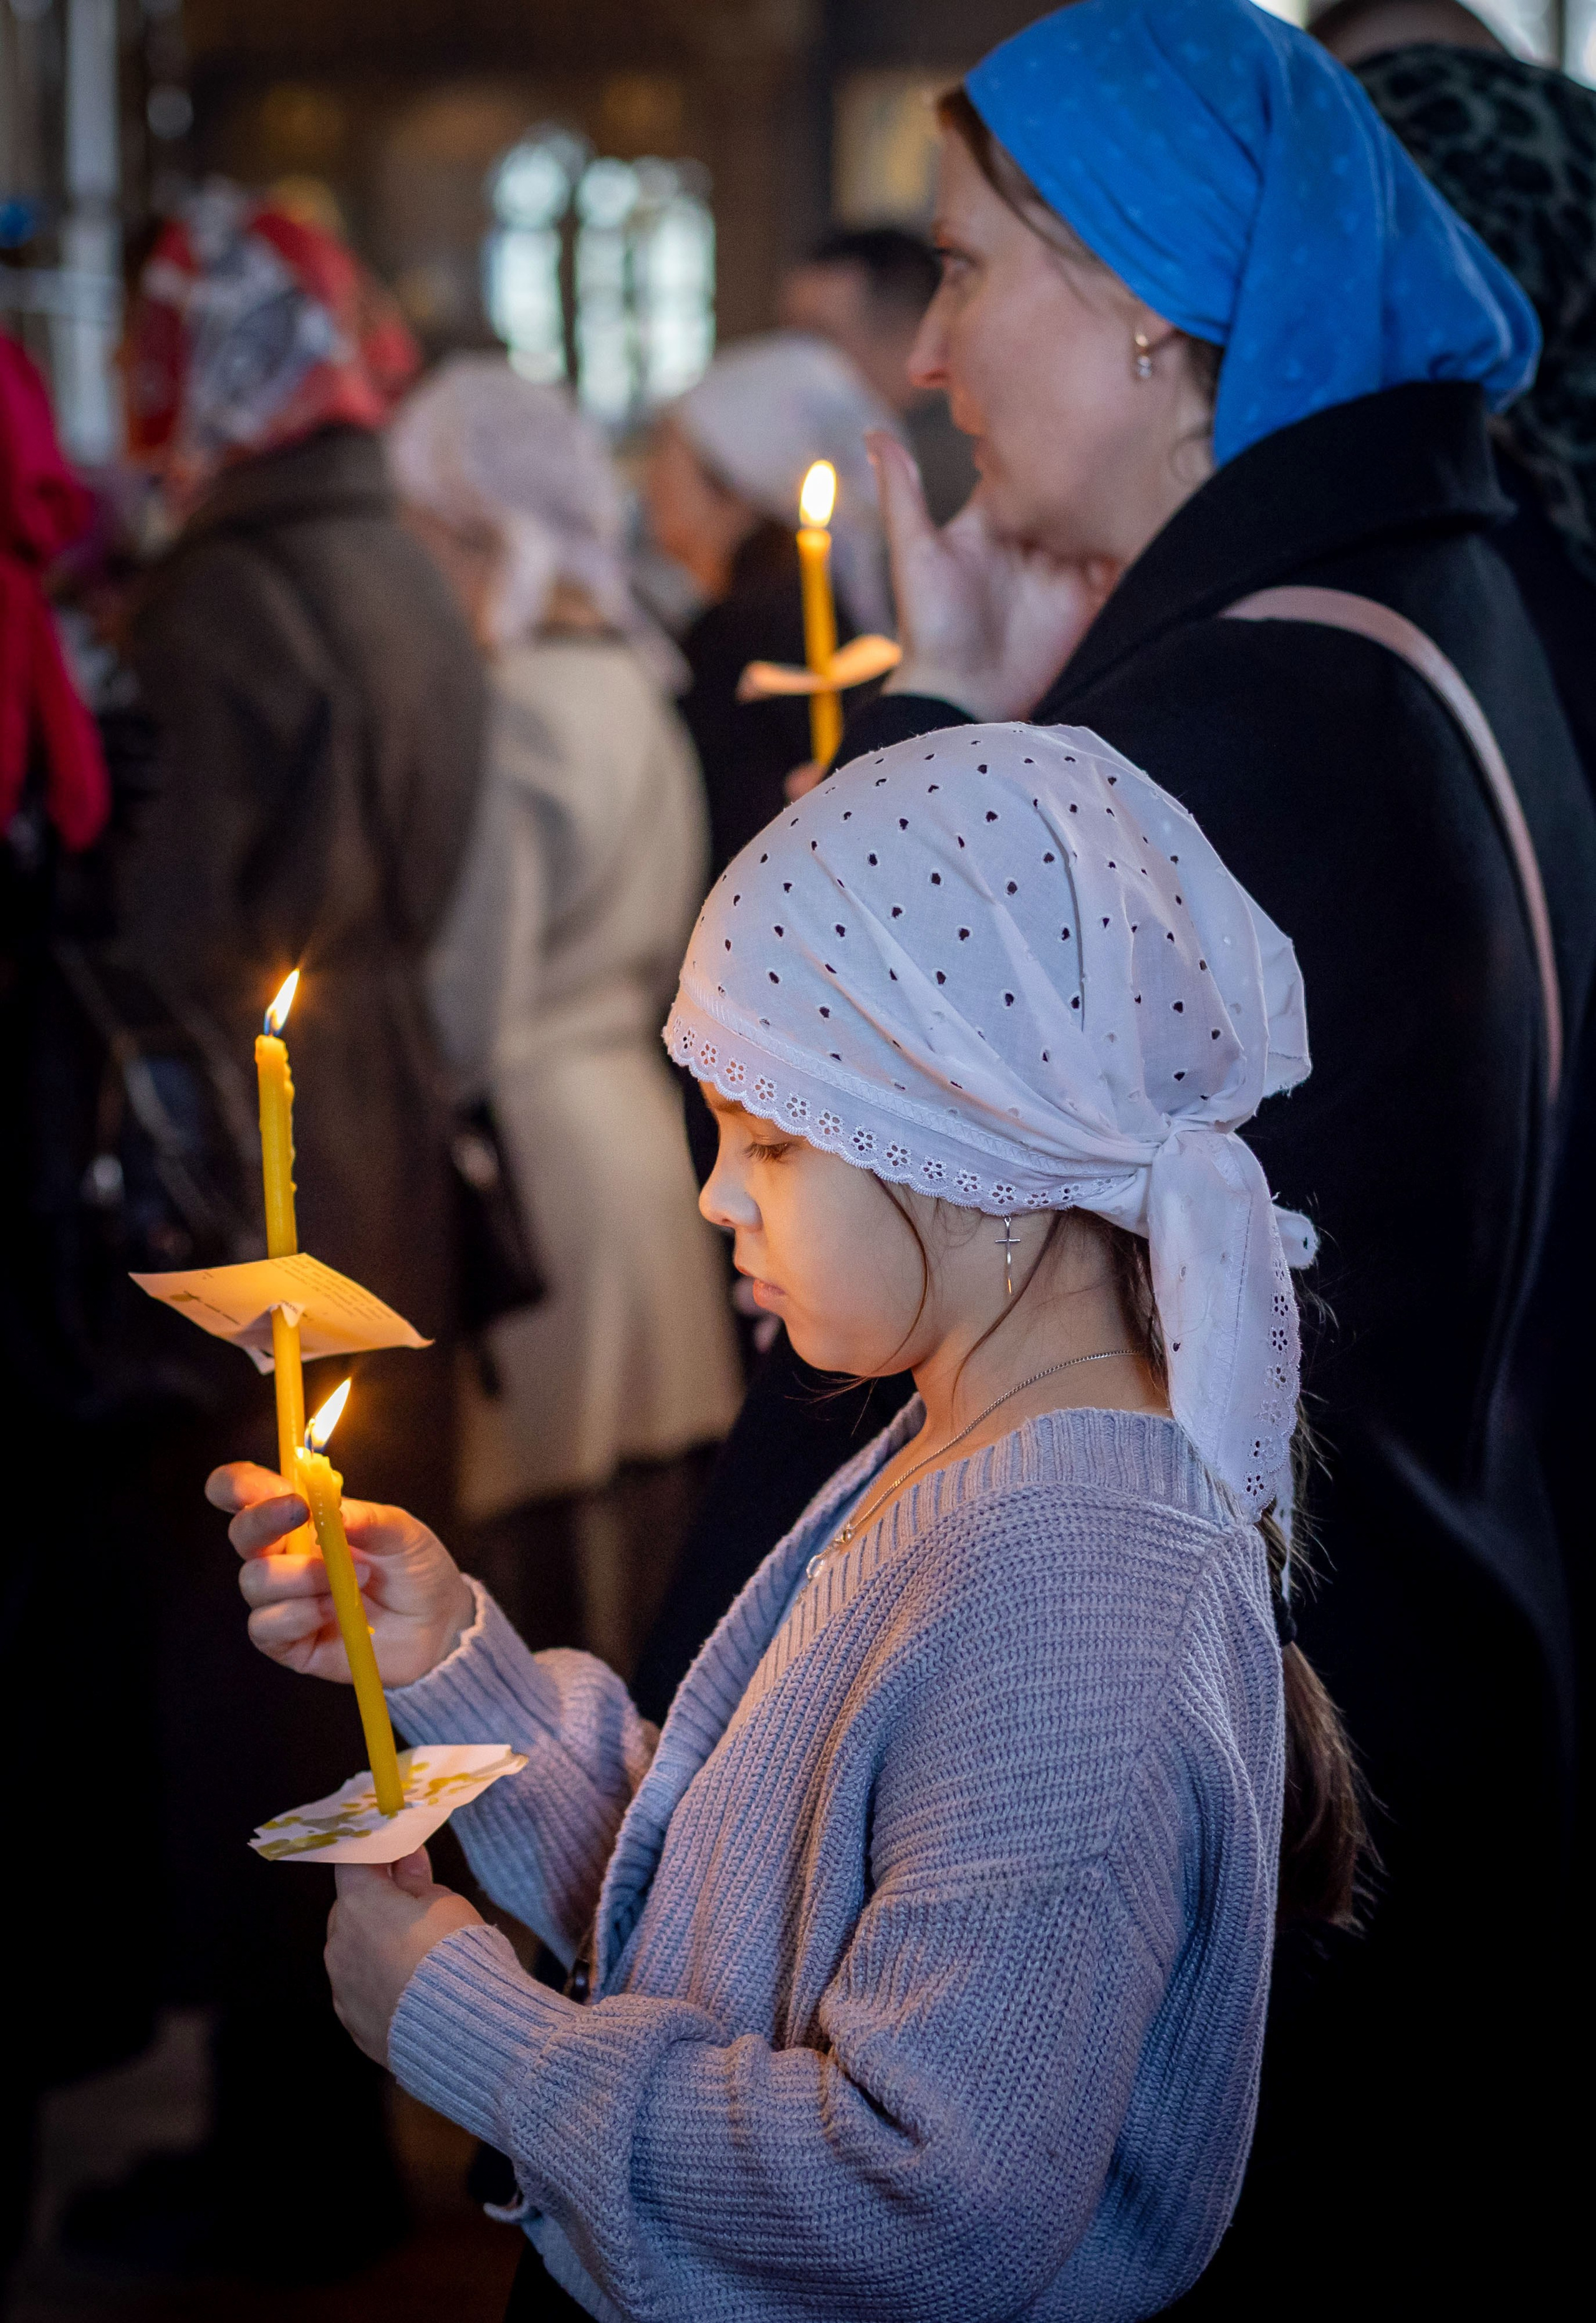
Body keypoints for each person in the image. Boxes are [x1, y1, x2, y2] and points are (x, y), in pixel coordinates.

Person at [632, 4, 1596, 2311]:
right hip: (1424, 1654)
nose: (932, 353)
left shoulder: (1243, 710)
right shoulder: (1425, 597)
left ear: (1155, 319)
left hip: (1218, 1781)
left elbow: (951, 1290)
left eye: (971, 275)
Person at [213, 725, 1362, 2322]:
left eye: (769, 1142)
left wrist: (481, 2036)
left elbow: (920, 2205)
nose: (715, 1197)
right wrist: (453, 1662)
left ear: (978, 1157)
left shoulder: (1074, 1594)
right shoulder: (965, 1441)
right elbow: (725, 1903)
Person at [77, 184, 487, 2279]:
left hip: (261, 1193)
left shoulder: (224, 594)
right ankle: (314, 2119)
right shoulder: (397, 552)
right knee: (330, 1646)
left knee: (258, 1640)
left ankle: (288, 2154)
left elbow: (169, 950)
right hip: (386, 1127)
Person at [389, 355, 742, 1674]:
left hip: (547, 1157)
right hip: (636, 1136)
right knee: (636, 1543)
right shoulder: (628, 680)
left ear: (471, 522)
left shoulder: (523, 702)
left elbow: (470, 999)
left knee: (547, 1581)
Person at [643, 331, 898, 880]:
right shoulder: (794, 606)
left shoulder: (743, 631)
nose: (648, 480)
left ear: (730, 483)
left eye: (664, 452)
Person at [779, 225, 978, 523]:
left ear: (909, 335)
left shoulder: (962, 479)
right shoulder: (817, 446)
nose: (794, 358)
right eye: (791, 336)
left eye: (819, 336)